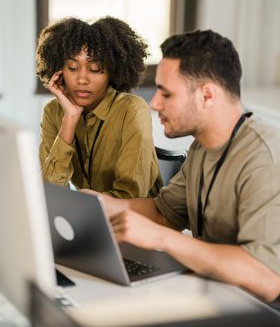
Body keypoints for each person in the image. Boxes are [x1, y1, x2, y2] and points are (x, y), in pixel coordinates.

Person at [83, 29, 280, 302]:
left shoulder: (265, 158)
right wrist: (101, 205)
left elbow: (267, 279)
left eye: (166, 94)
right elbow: (165, 214)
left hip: (262, 311)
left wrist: (160, 238)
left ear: (207, 96)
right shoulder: (201, 147)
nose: (153, 103)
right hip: (216, 295)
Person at [36, 16, 162, 198]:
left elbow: (130, 197)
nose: (82, 79)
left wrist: (85, 204)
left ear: (112, 71)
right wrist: (69, 119)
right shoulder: (53, 111)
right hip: (88, 217)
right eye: (72, 67)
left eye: (95, 68)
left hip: (135, 219)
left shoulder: (132, 110)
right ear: (59, 69)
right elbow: (50, 193)